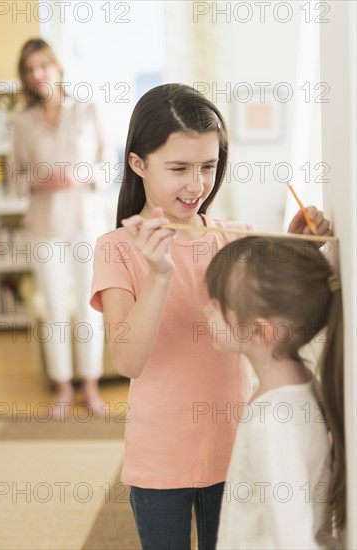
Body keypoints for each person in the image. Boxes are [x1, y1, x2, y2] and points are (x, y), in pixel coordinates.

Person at [90, 83, 333, 550]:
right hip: (160, 460)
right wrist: (159, 274)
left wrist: (296, 247)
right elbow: (128, 361)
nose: (197, 183)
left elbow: (267, 313)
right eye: (179, 168)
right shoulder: (116, 248)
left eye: (208, 166)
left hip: (236, 448)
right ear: (137, 164)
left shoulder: (235, 237)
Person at [204, 236, 344, 549]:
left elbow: (292, 535)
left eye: (217, 303)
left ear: (259, 331)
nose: (206, 309)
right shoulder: (298, 382)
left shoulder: (274, 423)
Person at [10, 38, 113, 419]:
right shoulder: (22, 123)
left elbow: (108, 166)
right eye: (30, 69)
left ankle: (90, 384)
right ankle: (63, 387)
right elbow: (16, 177)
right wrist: (40, 177)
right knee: (54, 306)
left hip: (87, 223)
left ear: (57, 67)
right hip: (45, 226)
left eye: (43, 65)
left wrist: (77, 172)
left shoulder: (87, 110)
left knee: (90, 307)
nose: (38, 74)